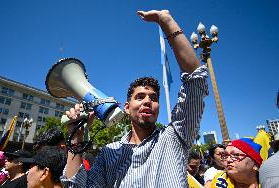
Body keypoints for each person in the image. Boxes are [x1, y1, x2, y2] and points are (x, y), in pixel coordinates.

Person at [61, 9, 208, 187]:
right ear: (127, 107)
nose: (147, 101)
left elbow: (195, 79)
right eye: (140, 97)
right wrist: (76, 138)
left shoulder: (175, 137)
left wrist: (166, 21)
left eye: (153, 98)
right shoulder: (109, 153)